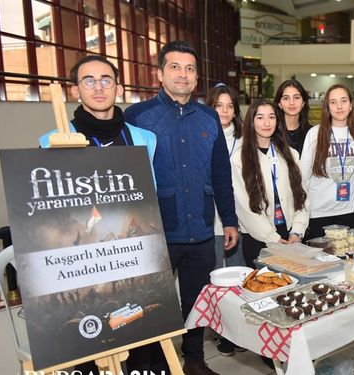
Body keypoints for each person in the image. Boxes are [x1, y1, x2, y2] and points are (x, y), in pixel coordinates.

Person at [125, 41, 238, 375]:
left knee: (196, 301)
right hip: (155, 232)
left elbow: (221, 174)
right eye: (175, 67)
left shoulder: (208, 117)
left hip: (202, 229)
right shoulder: (137, 117)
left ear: (197, 76)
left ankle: (193, 359)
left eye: (190, 68)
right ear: (160, 73)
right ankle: (154, 365)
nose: (183, 74)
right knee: (151, 305)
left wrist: (228, 220)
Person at [39, 55, 157, 374]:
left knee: (139, 342)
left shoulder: (144, 140)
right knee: (89, 347)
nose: (98, 87)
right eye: (88, 80)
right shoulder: (52, 142)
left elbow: (148, 199)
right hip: (83, 265)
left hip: (130, 261)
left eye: (106, 79)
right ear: (76, 89)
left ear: (118, 86)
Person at [232, 99, 309, 267]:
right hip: (258, 239)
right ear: (251, 121)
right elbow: (244, 207)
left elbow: (302, 196)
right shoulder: (239, 159)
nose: (266, 123)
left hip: (290, 236)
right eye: (260, 117)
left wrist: (297, 231)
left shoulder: (291, 155)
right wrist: (273, 238)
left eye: (271, 117)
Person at [300, 84, 354, 239]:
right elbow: (302, 175)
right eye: (333, 102)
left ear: (351, 105)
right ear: (327, 107)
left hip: (350, 210)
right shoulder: (315, 134)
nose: (339, 106)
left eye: (343, 101)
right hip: (319, 211)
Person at [206, 83, 246, 270]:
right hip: (210, 217)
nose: (224, 110)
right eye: (219, 105)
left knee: (237, 271)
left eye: (230, 106)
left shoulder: (245, 139)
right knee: (212, 272)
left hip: (240, 215)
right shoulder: (202, 138)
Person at [274, 79, 312, 156]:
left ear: (303, 103)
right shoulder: (272, 132)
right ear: (279, 104)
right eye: (286, 98)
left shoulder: (311, 133)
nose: (292, 103)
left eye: (296, 97)